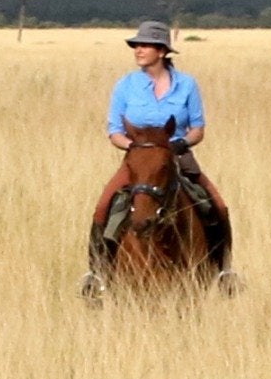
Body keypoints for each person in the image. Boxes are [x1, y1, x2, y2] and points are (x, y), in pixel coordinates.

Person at [92, 20, 231, 280]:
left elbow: (197, 129)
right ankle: (97, 274)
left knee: (218, 207)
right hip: (139, 159)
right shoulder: (126, 85)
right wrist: (134, 147)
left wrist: (181, 143)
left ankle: (223, 271)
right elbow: (114, 131)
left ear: (162, 51)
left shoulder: (187, 85)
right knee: (103, 208)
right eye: (137, 45)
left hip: (177, 155)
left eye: (145, 45)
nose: (138, 50)